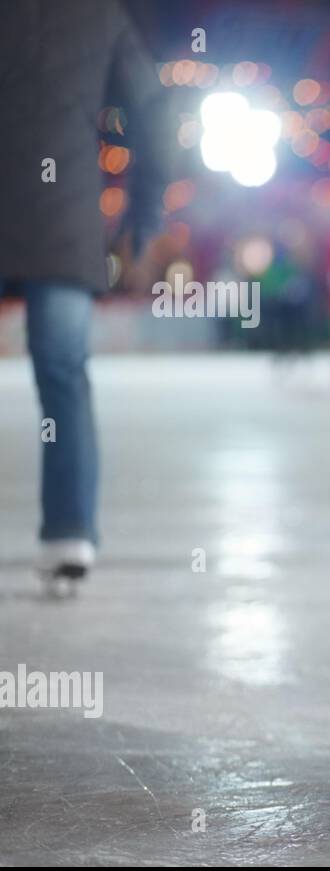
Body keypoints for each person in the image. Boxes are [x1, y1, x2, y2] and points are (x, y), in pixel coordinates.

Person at [0, 0, 170, 593]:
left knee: (63, 374)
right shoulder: (96, 14)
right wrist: (142, 219)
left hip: (50, 218)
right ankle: (68, 534)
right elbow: (154, 115)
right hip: (62, 221)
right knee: (63, 376)